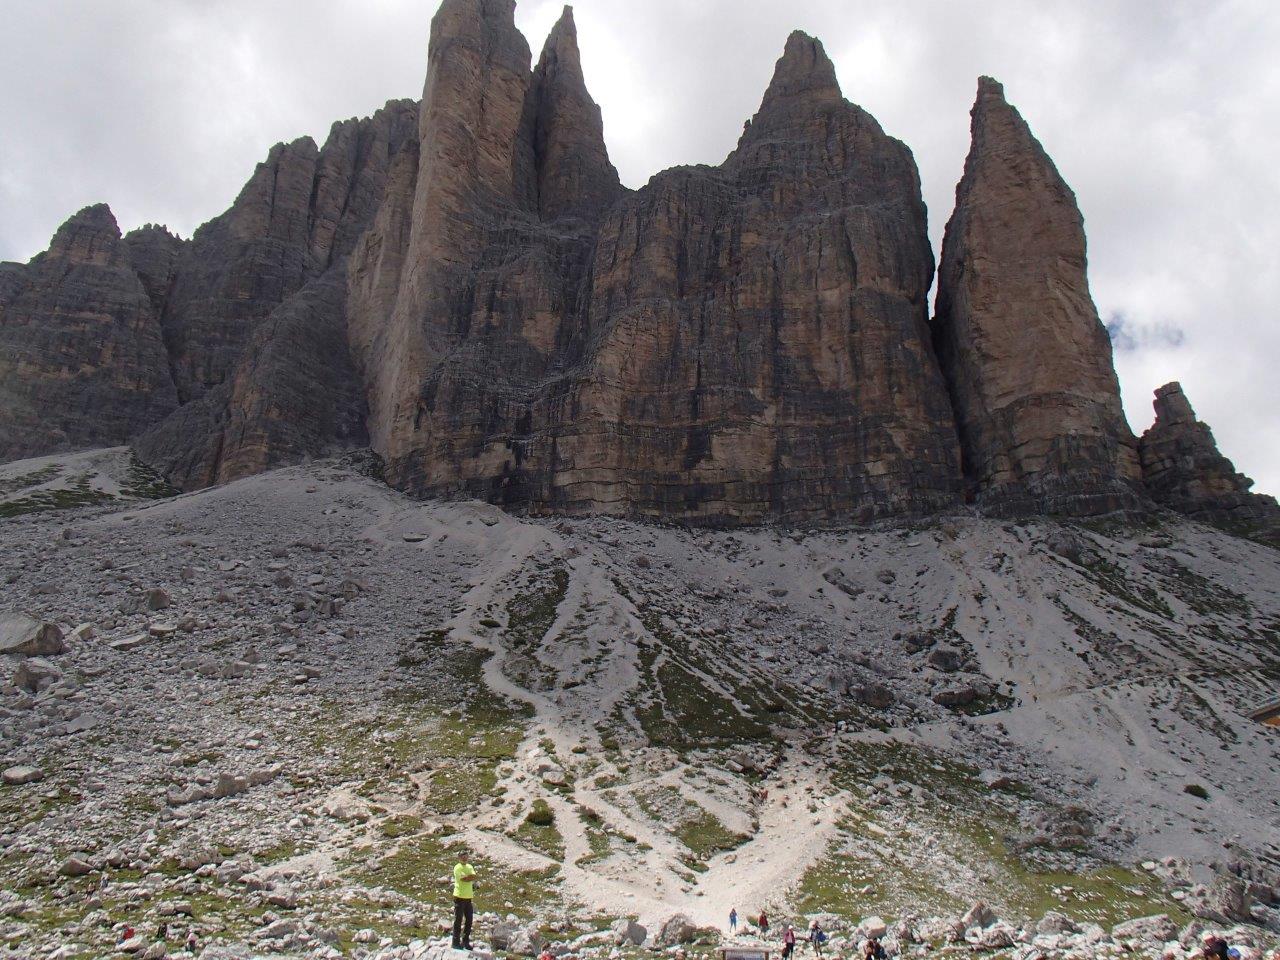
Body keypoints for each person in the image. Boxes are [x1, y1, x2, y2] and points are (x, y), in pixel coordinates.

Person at [451, 850, 478, 950]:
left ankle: (465, 941)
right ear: (459, 858)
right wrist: (469, 877)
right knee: (458, 920)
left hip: (468, 897)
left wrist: (469, 877)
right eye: (463, 856)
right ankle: (455, 942)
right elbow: (463, 878)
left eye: (466, 856)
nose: (465, 858)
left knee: (469, 920)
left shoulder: (469, 866)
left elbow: (473, 876)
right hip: (459, 896)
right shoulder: (457, 867)